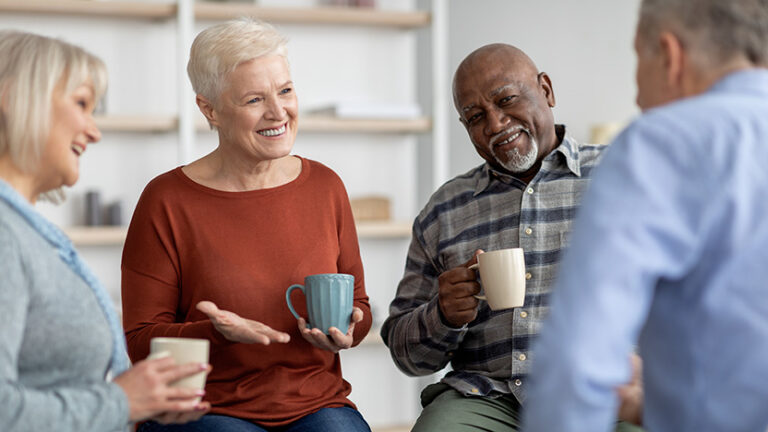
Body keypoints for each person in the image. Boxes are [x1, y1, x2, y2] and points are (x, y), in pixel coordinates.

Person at [524, 0, 768, 430]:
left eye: (638, 63)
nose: (637, 95)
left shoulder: (661, 145)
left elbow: (580, 359)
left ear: (670, 56)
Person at [121, 18, 373, 432]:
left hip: (316, 403)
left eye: (286, 91)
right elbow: (139, 341)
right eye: (254, 99)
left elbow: (358, 307)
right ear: (209, 109)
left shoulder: (326, 186)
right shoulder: (166, 199)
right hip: (205, 406)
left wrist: (346, 331)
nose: (279, 112)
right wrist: (216, 334)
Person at [380, 43, 640, 431]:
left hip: (601, 391)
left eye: (506, 100)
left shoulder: (626, 175)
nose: (496, 124)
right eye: (475, 117)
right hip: (487, 397)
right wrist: (444, 315)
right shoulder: (444, 210)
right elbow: (406, 354)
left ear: (547, 91)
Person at [0, 30, 211, 432]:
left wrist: (133, 406)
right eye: (81, 104)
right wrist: (121, 401)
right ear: (12, 99)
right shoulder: (5, 237)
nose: (94, 131)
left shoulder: (28, 233)